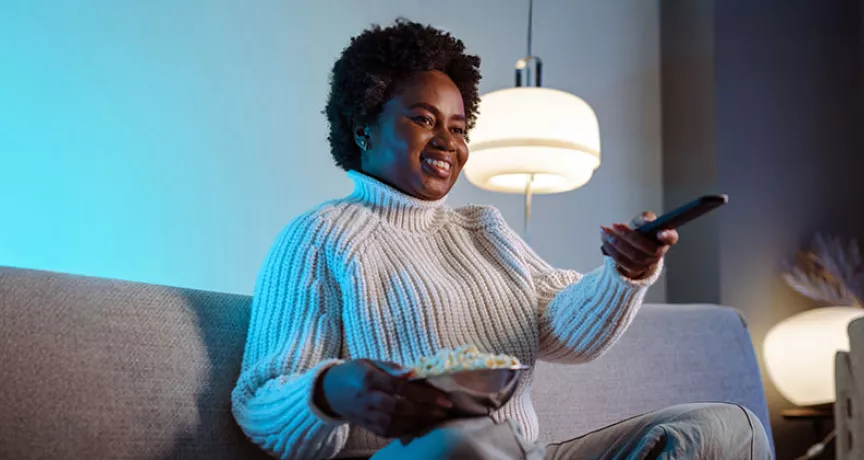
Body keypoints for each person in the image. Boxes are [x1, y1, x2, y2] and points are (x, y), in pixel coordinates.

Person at [231, 19, 771, 460]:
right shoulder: (319, 237)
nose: (448, 141)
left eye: (459, 127)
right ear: (363, 128)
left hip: (525, 453)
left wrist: (623, 272)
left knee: (724, 427)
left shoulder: (483, 228)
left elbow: (565, 332)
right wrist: (332, 391)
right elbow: (259, 403)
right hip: (421, 454)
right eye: (424, 119)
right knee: (461, 444)